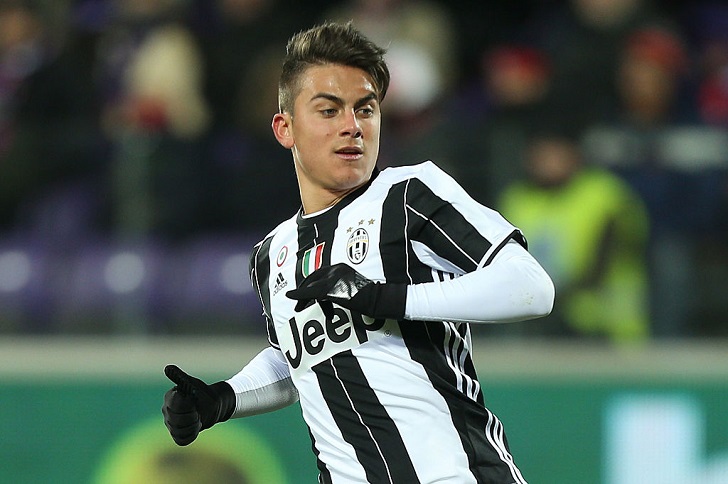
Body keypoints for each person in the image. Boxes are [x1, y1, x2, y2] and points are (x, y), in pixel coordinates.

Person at [162, 21, 555, 484]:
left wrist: (387, 298)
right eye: (329, 110)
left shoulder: (408, 195)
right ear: (285, 128)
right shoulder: (272, 254)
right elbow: (298, 357)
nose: (352, 127)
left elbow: (532, 287)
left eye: (365, 109)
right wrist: (223, 399)